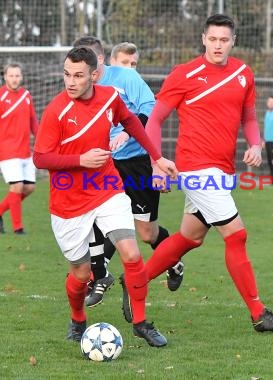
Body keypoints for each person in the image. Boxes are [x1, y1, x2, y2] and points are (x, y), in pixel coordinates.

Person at [126, 14, 273, 333]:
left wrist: (256, 145)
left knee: (191, 237)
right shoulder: (184, 74)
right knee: (237, 234)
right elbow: (154, 121)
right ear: (204, 39)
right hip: (194, 167)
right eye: (213, 39)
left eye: (224, 40)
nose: (218, 45)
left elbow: (248, 117)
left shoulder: (244, 74)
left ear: (234, 42)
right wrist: (156, 163)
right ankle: (259, 313)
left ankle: (135, 281)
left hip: (222, 170)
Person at [33, 46, 176, 347]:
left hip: (107, 188)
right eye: (67, 74)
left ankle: (140, 322)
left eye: (78, 75)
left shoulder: (110, 97)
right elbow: (41, 158)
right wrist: (80, 160)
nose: (71, 81)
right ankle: (77, 318)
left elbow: (132, 121)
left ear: (94, 76)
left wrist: (157, 158)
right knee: (82, 273)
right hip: (68, 201)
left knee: (133, 254)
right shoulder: (56, 111)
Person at [71, 36, 184, 308]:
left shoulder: (126, 78)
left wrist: (126, 131)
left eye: (88, 69)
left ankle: (175, 261)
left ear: (99, 61)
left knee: (146, 232)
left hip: (136, 162)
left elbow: (151, 108)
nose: (84, 75)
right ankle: (100, 276)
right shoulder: (80, 87)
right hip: (105, 165)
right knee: (97, 219)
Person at [0, 62, 38, 235]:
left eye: (17, 76)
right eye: (11, 75)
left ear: (21, 77)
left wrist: (43, 142)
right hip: (7, 150)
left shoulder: (26, 96)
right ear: (5, 76)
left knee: (29, 188)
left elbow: (33, 122)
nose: (14, 79)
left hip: (24, 151)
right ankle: (18, 228)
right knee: (17, 187)